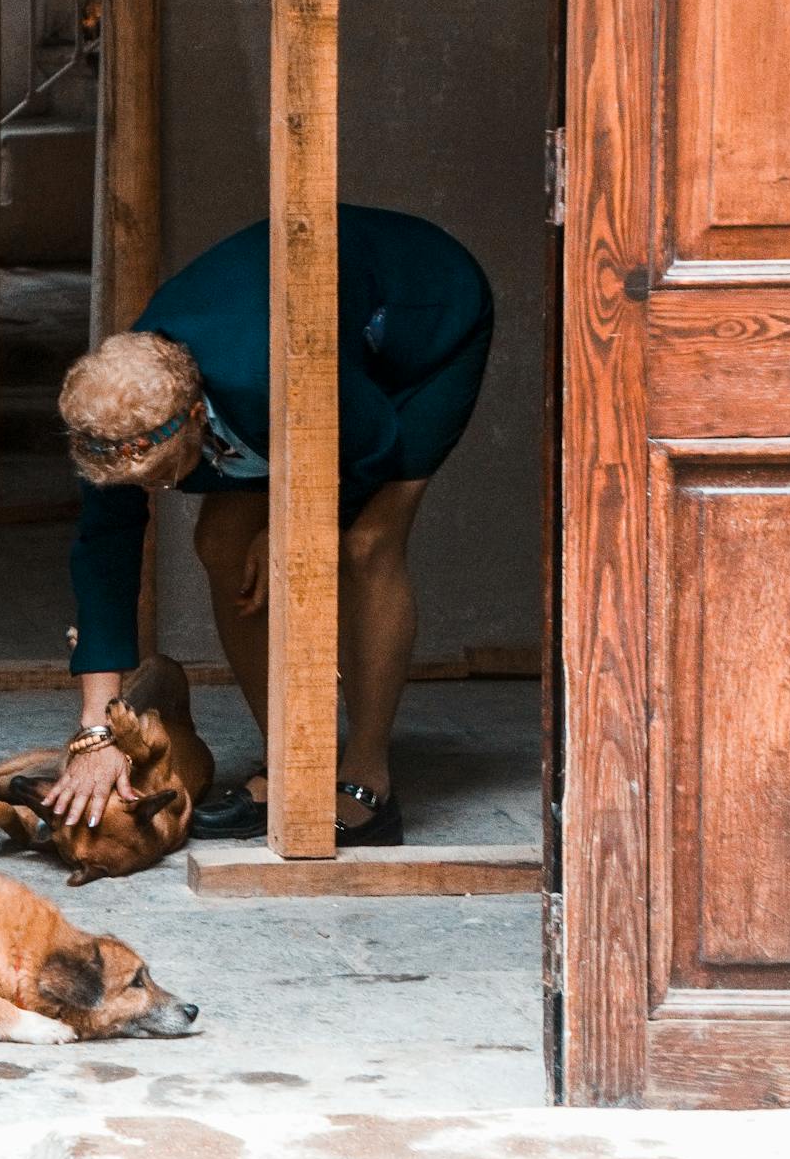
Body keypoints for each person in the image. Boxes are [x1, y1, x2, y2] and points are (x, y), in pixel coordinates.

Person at [43, 203, 493, 847]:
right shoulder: (113, 423)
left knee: (365, 544)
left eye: (166, 475)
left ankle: (366, 779)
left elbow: (372, 444)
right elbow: (103, 559)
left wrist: (292, 525)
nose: (156, 492)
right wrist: (96, 731)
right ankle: (291, 761)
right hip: (307, 353)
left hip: (420, 325)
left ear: (195, 414)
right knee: (221, 540)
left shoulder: (257, 375)